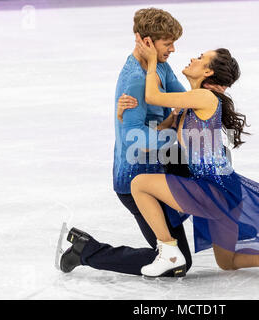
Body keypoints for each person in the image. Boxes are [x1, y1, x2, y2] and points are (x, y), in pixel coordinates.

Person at [117, 33, 259, 277]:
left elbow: (152, 96)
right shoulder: (190, 105)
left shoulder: (205, 97)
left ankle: (169, 251)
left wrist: (153, 60)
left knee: (139, 184)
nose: (192, 58)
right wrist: (123, 115)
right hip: (227, 191)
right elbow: (159, 131)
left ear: (207, 72)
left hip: (212, 190)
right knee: (227, 262)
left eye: (200, 58)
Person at [55, 8, 193, 276]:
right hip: (135, 181)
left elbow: (183, 100)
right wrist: (173, 129)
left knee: (178, 257)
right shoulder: (134, 80)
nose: (174, 49)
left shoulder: (160, 67)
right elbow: (136, 139)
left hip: (158, 170)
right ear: (147, 42)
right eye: (168, 43)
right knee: (176, 264)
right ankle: (86, 251)